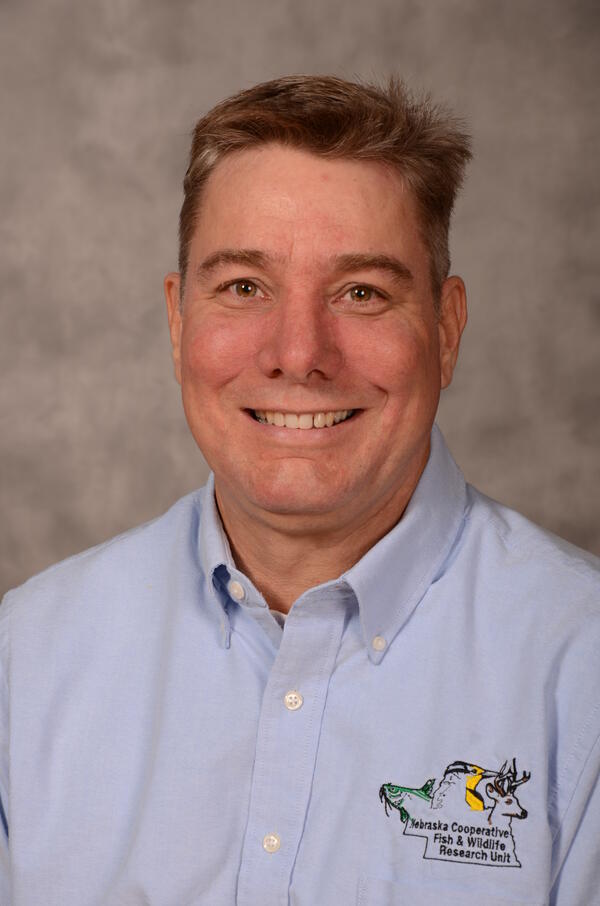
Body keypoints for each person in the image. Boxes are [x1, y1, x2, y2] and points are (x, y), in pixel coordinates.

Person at [0, 75, 598, 906]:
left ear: (447, 330)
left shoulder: (582, 672)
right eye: (245, 286)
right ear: (179, 325)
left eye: (361, 292)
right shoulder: (23, 659)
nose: (297, 353)